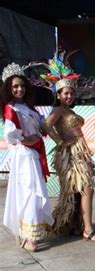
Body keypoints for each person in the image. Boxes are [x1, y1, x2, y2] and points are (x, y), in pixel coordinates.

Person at [41, 59, 95, 242]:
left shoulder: (68, 110)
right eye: (65, 93)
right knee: (84, 188)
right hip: (69, 155)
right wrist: (60, 141)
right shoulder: (58, 110)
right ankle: (88, 228)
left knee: (82, 189)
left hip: (81, 152)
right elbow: (46, 124)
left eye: (71, 93)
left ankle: (76, 225)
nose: (69, 96)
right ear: (59, 95)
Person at [1, 63, 54, 251]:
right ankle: (30, 237)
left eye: (22, 86)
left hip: (33, 154)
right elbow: (10, 134)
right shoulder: (11, 108)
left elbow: (41, 126)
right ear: (9, 88)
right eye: (15, 86)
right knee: (31, 192)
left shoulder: (28, 108)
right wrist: (27, 140)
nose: (19, 89)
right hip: (24, 156)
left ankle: (25, 233)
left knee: (30, 192)